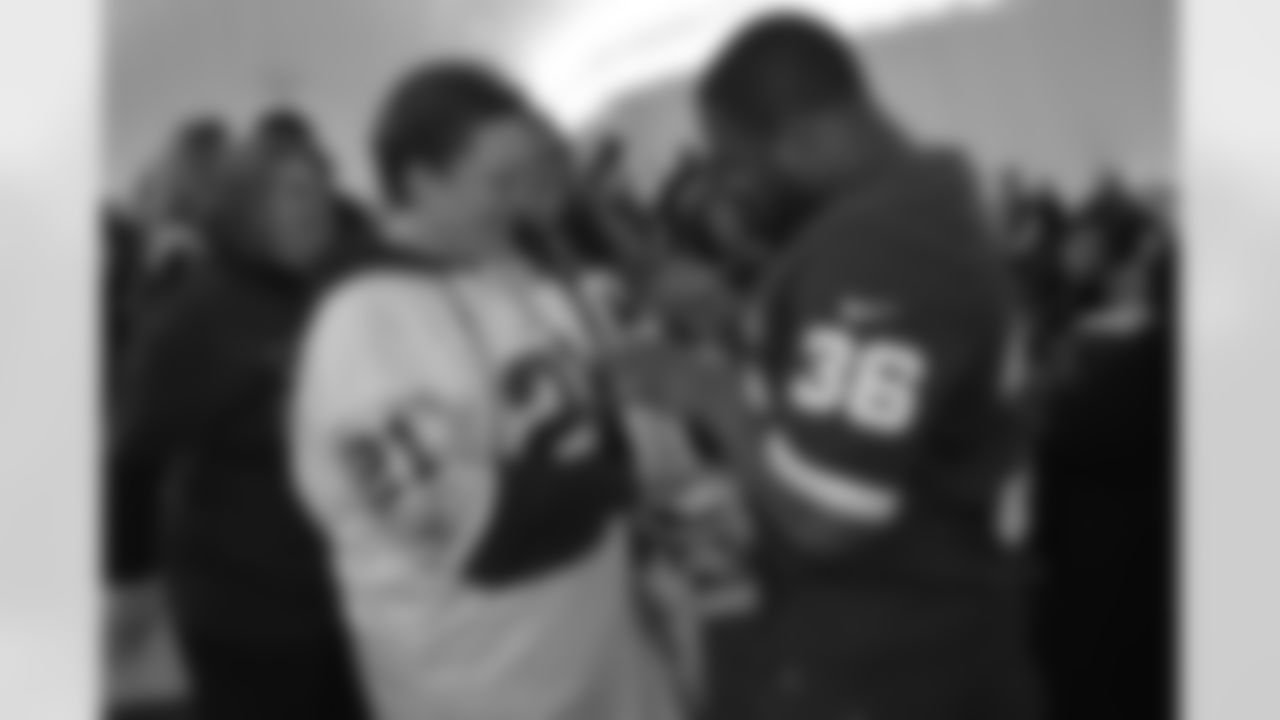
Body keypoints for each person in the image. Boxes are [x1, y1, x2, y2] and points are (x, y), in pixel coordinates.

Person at [612, 12, 1043, 720]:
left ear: (807, 139)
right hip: (944, 616)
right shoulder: (922, 206)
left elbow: (823, 517)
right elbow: (902, 377)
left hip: (890, 651)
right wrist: (743, 320)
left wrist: (711, 394)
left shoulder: (878, 248)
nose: (727, 191)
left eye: (735, 164)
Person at [289, 61, 681, 720]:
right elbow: (478, 529)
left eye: (529, 175)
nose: (525, 200)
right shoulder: (361, 327)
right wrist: (632, 478)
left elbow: (574, 419)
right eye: (500, 181)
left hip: (597, 641)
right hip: (483, 677)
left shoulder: (505, 267)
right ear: (421, 182)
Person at [107, 128, 372, 720]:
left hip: (347, 584)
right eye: (293, 193)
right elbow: (134, 457)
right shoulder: (195, 315)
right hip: (250, 603)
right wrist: (132, 579)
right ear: (242, 207)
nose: (316, 208)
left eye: (321, 190)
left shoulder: (335, 289)